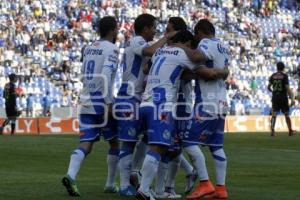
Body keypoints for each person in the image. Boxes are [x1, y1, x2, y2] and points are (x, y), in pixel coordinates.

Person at [136, 30, 228, 200]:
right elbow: (208, 73)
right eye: (189, 46)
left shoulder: (159, 51)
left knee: (159, 146)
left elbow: (146, 67)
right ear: (185, 43)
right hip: (161, 105)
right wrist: (223, 72)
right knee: (158, 147)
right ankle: (144, 188)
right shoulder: (181, 52)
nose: (191, 49)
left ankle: (147, 187)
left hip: (145, 104)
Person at [116, 14, 176, 196]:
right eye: (153, 27)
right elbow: (149, 52)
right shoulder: (136, 41)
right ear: (145, 29)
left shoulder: (143, 42)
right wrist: (167, 38)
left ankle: (135, 174)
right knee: (128, 142)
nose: (156, 31)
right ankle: (125, 184)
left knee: (148, 139)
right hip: (130, 97)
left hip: (141, 99)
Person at [61, 16, 120, 196]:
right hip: (101, 101)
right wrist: (109, 102)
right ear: (112, 30)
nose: (118, 31)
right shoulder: (112, 49)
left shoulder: (89, 47)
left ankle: (71, 175)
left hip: (85, 99)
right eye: (116, 28)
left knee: (86, 143)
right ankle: (110, 184)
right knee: (115, 143)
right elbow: (106, 74)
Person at [177, 19, 230, 200]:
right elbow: (211, 71)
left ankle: (205, 183)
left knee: (189, 141)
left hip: (206, 103)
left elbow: (197, 57)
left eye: (196, 35)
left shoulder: (206, 43)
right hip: (221, 102)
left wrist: (181, 47)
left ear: (199, 32)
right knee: (216, 146)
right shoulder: (223, 45)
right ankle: (221, 189)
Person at [153, 17, 197, 199]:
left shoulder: (184, 52)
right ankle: (166, 186)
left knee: (173, 147)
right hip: (168, 103)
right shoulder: (169, 51)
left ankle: (167, 187)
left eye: (169, 29)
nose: (166, 32)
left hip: (181, 105)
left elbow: (191, 73)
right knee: (166, 146)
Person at [268, 61, 295, 136]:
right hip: (283, 97)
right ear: (283, 68)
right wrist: (292, 98)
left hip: (275, 97)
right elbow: (287, 88)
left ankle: (272, 131)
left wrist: (273, 91)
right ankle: (290, 130)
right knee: (286, 114)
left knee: (274, 114)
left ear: (277, 67)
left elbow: (268, 87)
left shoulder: (272, 76)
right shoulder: (284, 76)